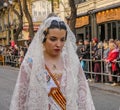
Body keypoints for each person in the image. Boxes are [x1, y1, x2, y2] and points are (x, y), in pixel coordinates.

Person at [10, 15, 95, 110]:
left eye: (62, 40)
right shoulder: (31, 64)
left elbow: (84, 96)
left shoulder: (71, 63)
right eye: (53, 39)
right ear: (43, 38)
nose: (58, 44)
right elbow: (20, 99)